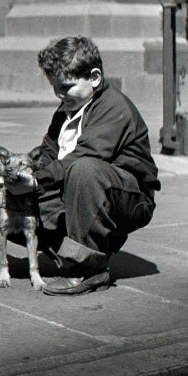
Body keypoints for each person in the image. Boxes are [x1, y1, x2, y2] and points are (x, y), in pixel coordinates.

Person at [32, 36, 160, 295]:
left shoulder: (113, 107)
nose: (59, 95)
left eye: (66, 87)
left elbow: (81, 158)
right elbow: (48, 151)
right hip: (87, 190)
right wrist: (24, 177)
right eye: (55, 88)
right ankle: (66, 247)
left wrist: (36, 182)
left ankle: (88, 270)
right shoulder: (68, 108)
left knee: (83, 169)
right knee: (19, 202)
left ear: (94, 78)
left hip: (129, 197)